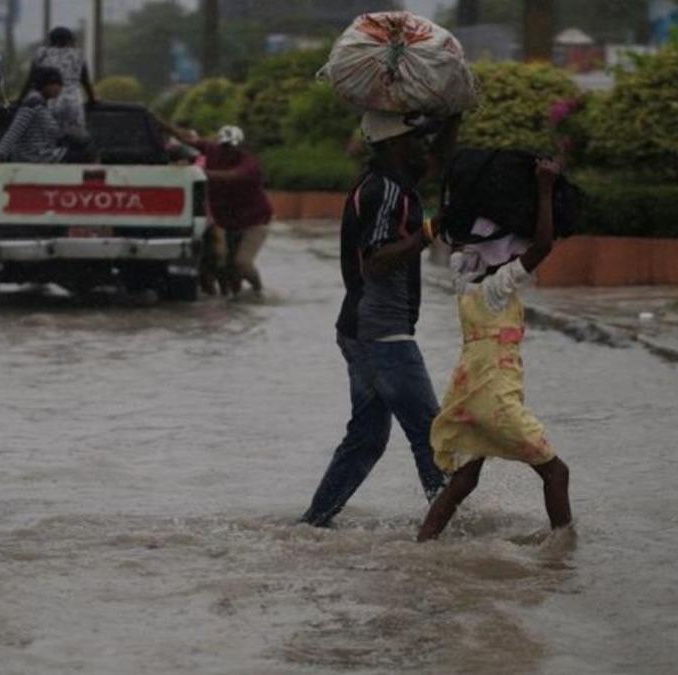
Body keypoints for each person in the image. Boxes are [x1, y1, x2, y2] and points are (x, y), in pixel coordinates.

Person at [299, 111, 460, 528]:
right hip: (381, 330)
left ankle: (314, 524)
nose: (425, 145)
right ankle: (448, 534)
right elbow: (376, 262)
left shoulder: (396, 183)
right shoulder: (383, 192)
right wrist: (431, 230)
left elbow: (438, 161)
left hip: (360, 329)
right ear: (393, 145)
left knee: (367, 438)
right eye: (416, 138)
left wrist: (453, 115)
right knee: (431, 433)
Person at [417, 159, 572, 542]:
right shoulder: (498, 286)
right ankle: (563, 555)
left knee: (465, 479)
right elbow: (544, 245)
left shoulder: (464, 279)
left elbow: (460, 239)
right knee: (556, 473)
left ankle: (424, 545)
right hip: (494, 395)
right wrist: (545, 190)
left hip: (467, 392)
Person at [161, 123, 273, 295]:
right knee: (227, 270)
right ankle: (235, 302)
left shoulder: (249, 165)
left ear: (240, 146)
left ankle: (259, 292)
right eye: (224, 145)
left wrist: (197, 172)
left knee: (242, 263)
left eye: (231, 146)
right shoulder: (213, 149)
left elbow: (232, 177)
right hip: (228, 221)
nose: (227, 150)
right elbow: (187, 139)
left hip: (255, 221)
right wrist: (159, 122)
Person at [0, 67, 95, 163]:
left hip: (42, 154)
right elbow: (14, 131)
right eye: (56, 84)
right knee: (87, 153)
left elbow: (52, 133)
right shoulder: (32, 104)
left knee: (83, 143)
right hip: (35, 157)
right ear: (45, 85)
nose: (59, 88)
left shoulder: (42, 104)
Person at [26, 27, 97, 139]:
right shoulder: (78, 54)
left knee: (48, 138)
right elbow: (85, 81)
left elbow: (30, 80)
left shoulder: (42, 53)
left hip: (48, 101)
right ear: (70, 40)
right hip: (72, 102)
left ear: (51, 41)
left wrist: (21, 100)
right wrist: (92, 99)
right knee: (76, 139)